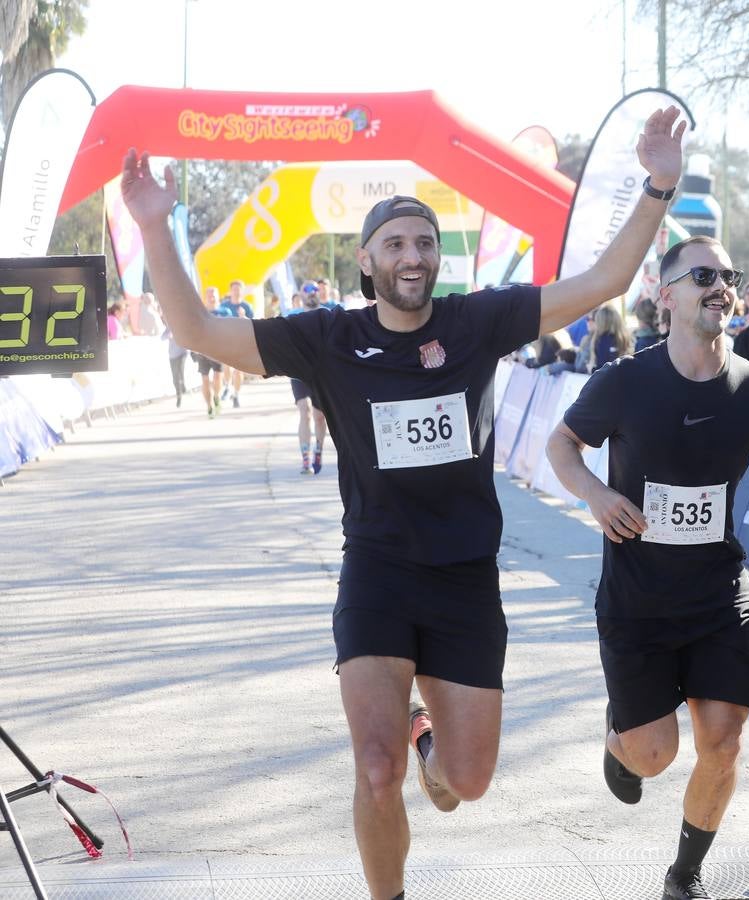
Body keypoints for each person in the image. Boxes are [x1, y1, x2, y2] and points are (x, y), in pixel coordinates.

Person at [120, 105, 686, 900]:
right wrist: (151, 225)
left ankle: (431, 738)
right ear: (367, 260)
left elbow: (603, 284)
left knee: (467, 782)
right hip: (379, 575)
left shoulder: (477, 321)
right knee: (377, 772)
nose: (413, 255)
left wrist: (660, 185)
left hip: (463, 581)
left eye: (425, 241)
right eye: (396, 243)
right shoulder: (327, 337)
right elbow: (199, 329)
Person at [545, 234, 749, 900]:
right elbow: (562, 443)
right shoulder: (626, 381)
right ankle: (621, 743)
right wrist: (597, 493)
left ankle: (685, 875)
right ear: (665, 294)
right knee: (654, 754)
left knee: (723, 742)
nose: (721, 285)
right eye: (703, 274)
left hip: (719, 593)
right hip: (636, 600)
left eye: (729, 274)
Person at [286, 289, 328, 474]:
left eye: (314, 290)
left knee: (320, 417)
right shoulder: (292, 315)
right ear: (301, 295)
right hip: (298, 372)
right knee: (305, 411)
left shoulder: (328, 313)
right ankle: (305, 458)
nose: (311, 293)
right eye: (307, 290)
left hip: (321, 373)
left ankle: (318, 450)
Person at [218, 280, 255, 408]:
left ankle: (236, 394)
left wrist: (243, 317)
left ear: (242, 291)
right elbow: (217, 322)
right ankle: (227, 386)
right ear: (230, 291)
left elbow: (253, 325)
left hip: (241, 341)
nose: (236, 291)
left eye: (238, 289)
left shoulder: (247, 306)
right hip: (227, 341)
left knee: (239, 371)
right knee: (227, 365)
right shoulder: (224, 306)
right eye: (234, 289)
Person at [192, 287, 228, 418]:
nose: (211, 297)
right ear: (205, 297)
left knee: (217, 377)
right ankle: (209, 407)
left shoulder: (225, 311)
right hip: (202, 350)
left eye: (214, 295)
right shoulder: (200, 311)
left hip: (218, 350)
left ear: (218, 296)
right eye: (209, 295)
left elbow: (230, 328)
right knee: (205, 379)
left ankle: (217, 396)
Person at [587, 300, 634, 371]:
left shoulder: (601, 340)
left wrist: (591, 369)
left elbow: (603, 369)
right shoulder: (625, 338)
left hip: (610, 380)